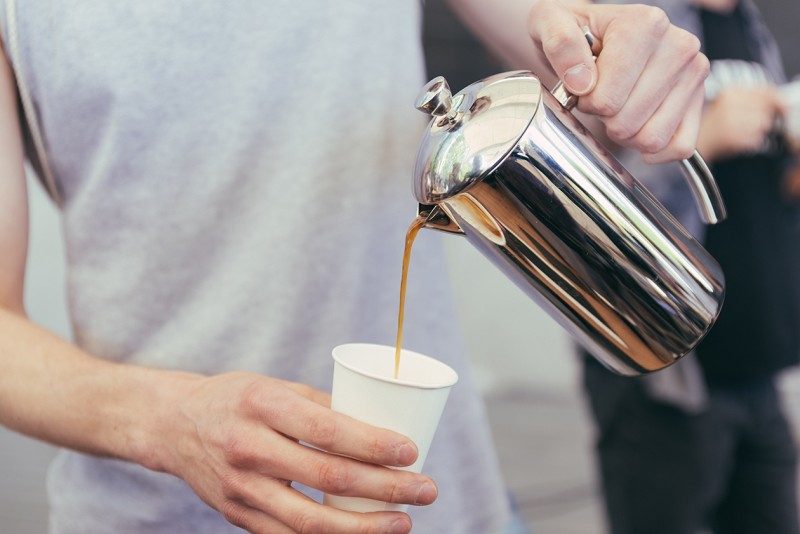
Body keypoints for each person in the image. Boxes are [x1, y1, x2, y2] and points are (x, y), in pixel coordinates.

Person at [0, 1, 712, 532]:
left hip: (447, 506)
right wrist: (168, 422)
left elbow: (559, 24)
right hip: (153, 512)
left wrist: (617, 40)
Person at [582, 0, 800, 533]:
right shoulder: (629, 22)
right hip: (668, 372)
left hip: (758, 366)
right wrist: (703, 140)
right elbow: (589, 195)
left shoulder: (753, 25)